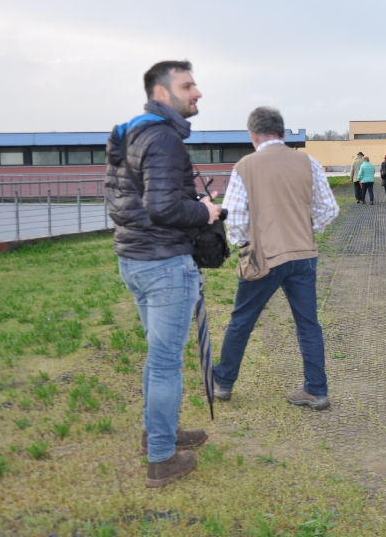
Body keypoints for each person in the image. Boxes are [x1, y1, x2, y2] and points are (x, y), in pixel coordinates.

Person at [105, 60, 221, 488]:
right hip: (164, 263)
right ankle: (161, 457)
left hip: (134, 259)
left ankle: (159, 433)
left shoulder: (128, 133)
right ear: (161, 93)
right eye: (188, 85)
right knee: (166, 362)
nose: (198, 92)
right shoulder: (164, 139)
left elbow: (125, 203)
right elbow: (165, 208)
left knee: (159, 358)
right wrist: (207, 210)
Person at [214, 107, 340, 406]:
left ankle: (223, 382)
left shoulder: (245, 166)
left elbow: (234, 216)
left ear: (252, 135)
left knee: (242, 320)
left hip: (264, 255)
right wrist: (307, 231)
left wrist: (243, 243)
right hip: (304, 254)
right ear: (283, 133)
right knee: (308, 323)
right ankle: (316, 390)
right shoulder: (308, 162)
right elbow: (329, 210)